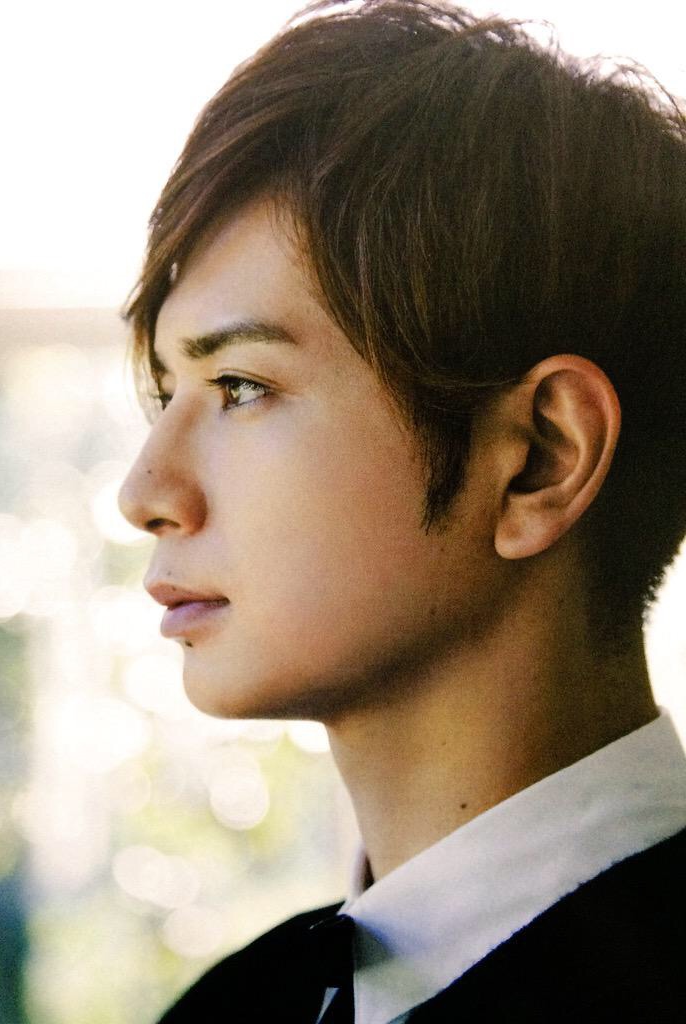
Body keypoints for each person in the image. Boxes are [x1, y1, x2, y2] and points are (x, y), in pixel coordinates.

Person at [118, 1, 686, 1020]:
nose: (144, 492)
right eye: (167, 396)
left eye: (242, 386)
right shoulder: (233, 1008)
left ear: (541, 459)